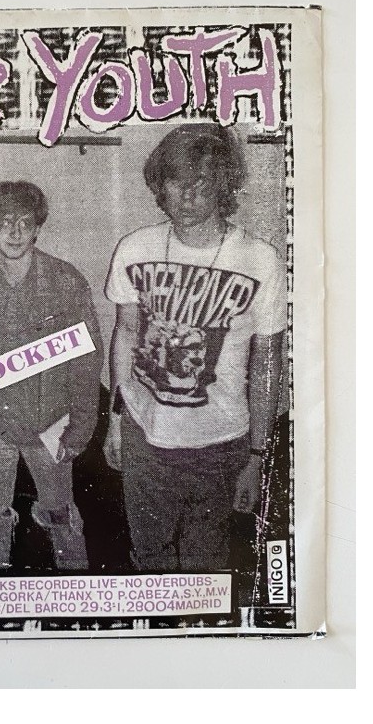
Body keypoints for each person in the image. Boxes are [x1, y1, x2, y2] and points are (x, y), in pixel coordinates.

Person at [104, 124, 286, 572]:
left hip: (220, 443)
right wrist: (116, 421)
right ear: (160, 185)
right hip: (145, 435)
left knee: (206, 566)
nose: (186, 197)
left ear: (223, 187)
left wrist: (257, 456)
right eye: (176, 183)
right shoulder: (135, 248)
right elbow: (125, 334)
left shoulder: (260, 260)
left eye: (200, 185)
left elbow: (267, 360)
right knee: (149, 560)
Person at [0, 181, 103, 570]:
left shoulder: (66, 280)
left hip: (49, 423)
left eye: (25, 222)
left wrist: (81, 426)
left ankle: (75, 586)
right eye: (5, 222)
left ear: (38, 228)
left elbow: (87, 360)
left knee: (59, 511)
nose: (15, 232)